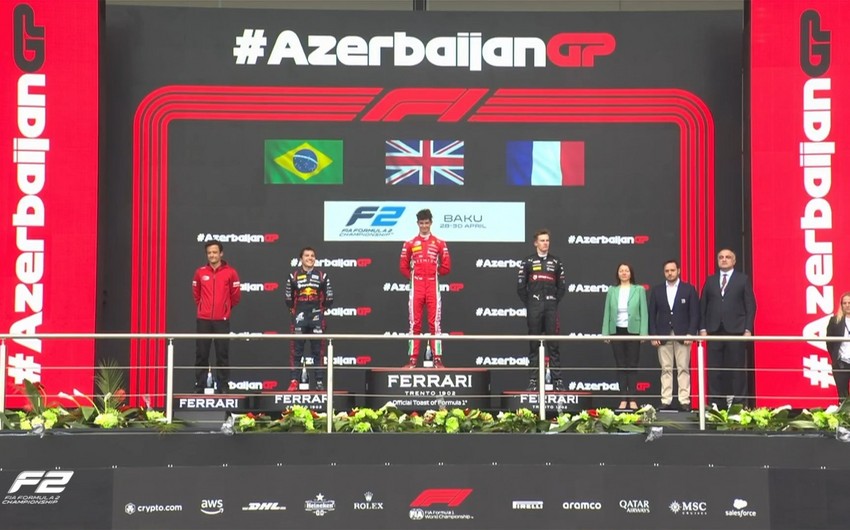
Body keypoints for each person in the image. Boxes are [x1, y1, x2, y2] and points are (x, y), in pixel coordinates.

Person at [699, 248, 757, 408]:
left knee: (737, 369)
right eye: (721, 257)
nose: (724, 259)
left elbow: (751, 306)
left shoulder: (742, 279)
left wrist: (748, 329)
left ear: (734, 261)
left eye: (727, 257)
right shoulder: (710, 280)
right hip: (714, 331)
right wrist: (702, 329)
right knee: (714, 370)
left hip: (736, 331)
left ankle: (739, 403)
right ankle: (716, 403)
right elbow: (702, 305)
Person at [399, 208, 451, 368]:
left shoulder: (439, 243)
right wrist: (414, 277)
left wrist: (435, 273)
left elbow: (447, 266)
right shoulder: (409, 243)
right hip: (417, 287)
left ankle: (437, 360)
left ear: (431, 223)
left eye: (426, 223)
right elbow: (403, 267)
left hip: (432, 286)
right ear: (417, 224)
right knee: (414, 324)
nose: (424, 226)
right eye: (421, 223)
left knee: (435, 324)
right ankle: (412, 360)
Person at [517, 229, 566, 391]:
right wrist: (531, 302)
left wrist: (552, 300)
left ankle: (557, 381)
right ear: (535, 243)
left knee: (553, 345)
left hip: (551, 307)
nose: (545, 243)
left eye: (547, 240)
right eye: (542, 240)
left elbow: (562, 287)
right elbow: (520, 287)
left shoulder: (556, 262)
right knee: (534, 345)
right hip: (534, 307)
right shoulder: (528, 261)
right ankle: (533, 381)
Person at [648, 260, 700, 411]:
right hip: (663, 335)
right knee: (666, 368)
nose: (670, 273)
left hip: (683, 335)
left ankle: (684, 401)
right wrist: (653, 335)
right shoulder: (657, 290)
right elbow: (652, 315)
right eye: (667, 271)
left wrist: (691, 333)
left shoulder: (688, 289)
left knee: (683, 368)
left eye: (672, 270)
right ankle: (666, 400)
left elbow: (694, 314)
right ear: (664, 272)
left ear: (678, 271)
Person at [192, 240, 241, 393]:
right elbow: (196, 294)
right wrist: (203, 308)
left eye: (215, 252)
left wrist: (225, 309)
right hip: (203, 320)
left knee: (222, 355)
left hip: (221, 320)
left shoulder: (231, 272)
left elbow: (235, 296)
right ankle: (199, 386)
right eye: (209, 253)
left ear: (221, 253)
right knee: (201, 355)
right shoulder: (200, 272)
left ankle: (223, 387)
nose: (212, 255)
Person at [285, 247, 334, 391]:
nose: (310, 258)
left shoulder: (322, 276)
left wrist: (321, 309)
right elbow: (288, 298)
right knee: (296, 351)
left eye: (312, 255)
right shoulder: (293, 275)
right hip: (299, 317)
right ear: (301, 259)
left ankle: (319, 382)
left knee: (318, 352)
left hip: (316, 316)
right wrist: (294, 310)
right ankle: (294, 380)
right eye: (307, 255)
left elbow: (329, 297)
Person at [602, 263, 648, 411]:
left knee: (632, 364)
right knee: (620, 365)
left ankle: (632, 399)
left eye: (626, 270)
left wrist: (643, 333)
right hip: (616, 331)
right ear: (618, 274)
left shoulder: (639, 289)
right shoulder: (612, 290)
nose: (624, 273)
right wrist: (605, 332)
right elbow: (607, 312)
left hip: (633, 331)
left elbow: (644, 312)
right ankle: (623, 399)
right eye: (621, 271)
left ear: (631, 273)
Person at [825, 292, 850, 401]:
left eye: (849, 303)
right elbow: (829, 342)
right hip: (841, 364)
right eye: (845, 303)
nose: (847, 305)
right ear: (841, 305)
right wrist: (835, 359)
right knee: (843, 396)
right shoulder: (835, 321)